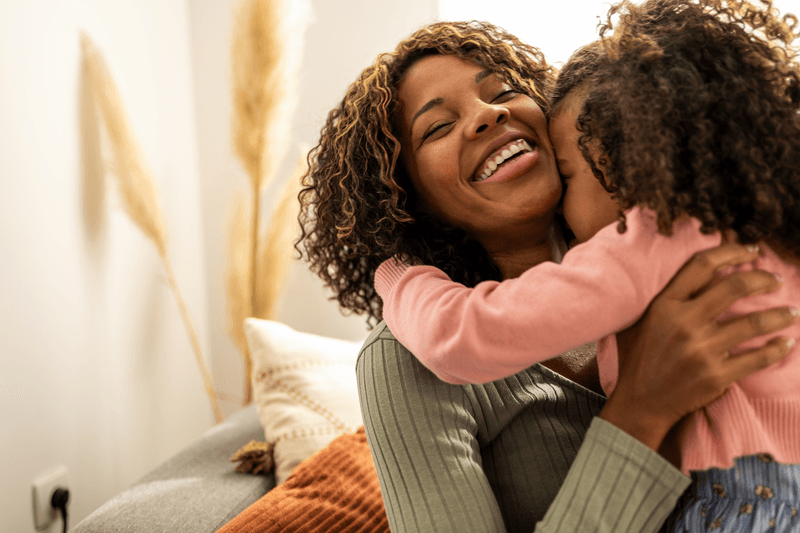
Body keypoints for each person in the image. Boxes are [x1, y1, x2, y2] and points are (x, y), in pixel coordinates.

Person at [296, 17, 796, 533]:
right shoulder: (403, 361)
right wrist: (643, 410)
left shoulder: (658, 252)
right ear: (403, 199)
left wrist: (397, 280)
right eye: (438, 127)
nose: (489, 115)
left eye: (505, 91)